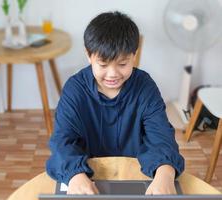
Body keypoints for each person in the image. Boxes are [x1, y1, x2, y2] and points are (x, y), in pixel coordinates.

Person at [46, 11, 184, 195]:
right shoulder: (75, 89)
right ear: (88, 55)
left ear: (134, 55)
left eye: (122, 64)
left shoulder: (145, 86)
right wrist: (74, 175)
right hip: (87, 175)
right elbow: (62, 140)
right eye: (103, 65)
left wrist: (165, 174)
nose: (112, 74)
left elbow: (161, 135)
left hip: (135, 174)